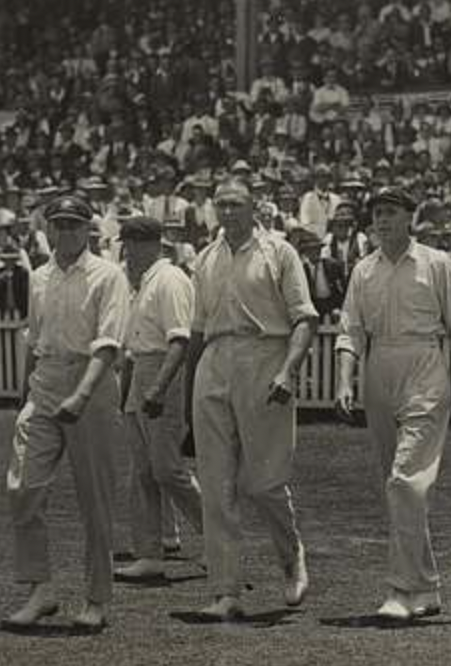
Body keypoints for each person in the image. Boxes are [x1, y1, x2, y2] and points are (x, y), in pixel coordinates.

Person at [334, 187, 451, 620]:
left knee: (405, 480)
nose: (382, 220)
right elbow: (350, 331)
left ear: (409, 218)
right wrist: (344, 381)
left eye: (391, 213)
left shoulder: (435, 264)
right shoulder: (363, 270)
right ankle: (427, 586)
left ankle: (400, 591)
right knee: (398, 489)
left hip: (426, 367)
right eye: (377, 214)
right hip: (380, 369)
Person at [185, 179, 317, 621]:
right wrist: (190, 393)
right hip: (214, 361)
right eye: (220, 204)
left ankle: (290, 554)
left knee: (262, 483)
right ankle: (225, 591)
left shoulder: (278, 252)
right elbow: (197, 332)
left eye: (235, 204)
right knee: (216, 485)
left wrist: (287, 370)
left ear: (254, 207)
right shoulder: (204, 260)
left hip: (265, 357)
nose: (227, 212)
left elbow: (304, 319)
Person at [3, 195, 130, 630]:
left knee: (94, 498)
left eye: (76, 224)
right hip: (45, 381)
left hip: (90, 386)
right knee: (23, 486)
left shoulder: (108, 275)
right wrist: (26, 394)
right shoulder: (39, 276)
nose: (67, 231)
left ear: (89, 229)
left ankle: (96, 598)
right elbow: (33, 339)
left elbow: (109, 344)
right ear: (50, 228)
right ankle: (40, 590)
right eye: (60, 224)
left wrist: (80, 394)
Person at [113, 217, 204, 581]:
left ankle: (217, 541)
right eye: (126, 244)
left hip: (164, 374)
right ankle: (149, 552)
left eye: (135, 244)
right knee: (143, 471)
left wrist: (158, 388)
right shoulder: (141, 285)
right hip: (140, 372)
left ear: (154, 244)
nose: (129, 252)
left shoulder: (170, 280)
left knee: (168, 468)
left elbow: (180, 341)